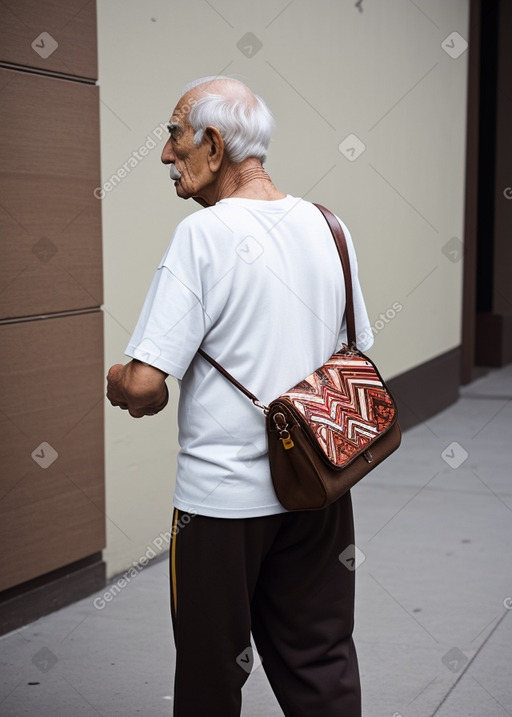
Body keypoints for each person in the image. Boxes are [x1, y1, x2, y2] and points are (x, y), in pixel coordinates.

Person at [106, 76, 374, 717]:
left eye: (173, 136)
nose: (166, 155)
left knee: (210, 675)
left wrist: (116, 380)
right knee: (322, 663)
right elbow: (355, 349)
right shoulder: (329, 226)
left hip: (220, 509)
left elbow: (145, 386)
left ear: (214, 145)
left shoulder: (202, 238)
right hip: (319, 486)